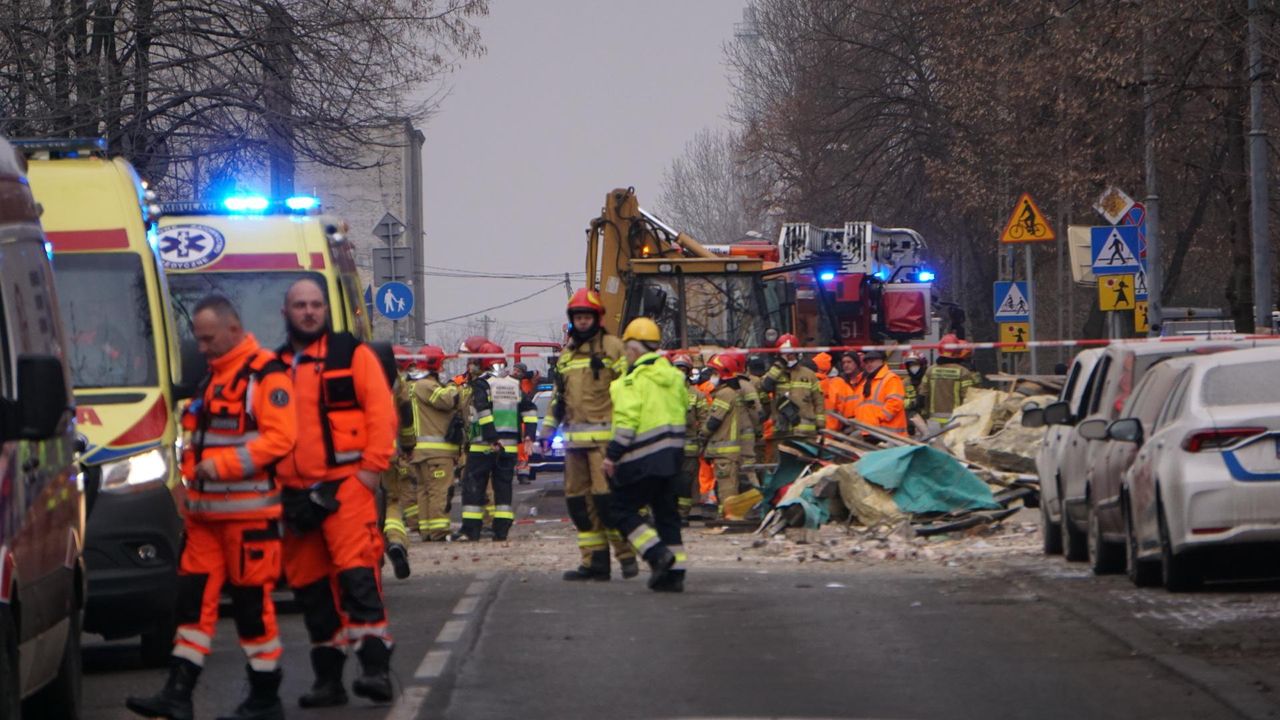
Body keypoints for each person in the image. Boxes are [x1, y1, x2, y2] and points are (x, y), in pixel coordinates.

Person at [126, 295, 296, 720]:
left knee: (252, 609)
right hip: (204, 520)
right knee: (191, 606)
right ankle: (178, 694)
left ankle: (265, 697)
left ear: (233, 330)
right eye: (198, 340)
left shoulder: (265, 376)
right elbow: (193, 443)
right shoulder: (214, 379)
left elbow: (280, 439)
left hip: (248, 519)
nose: (200, 347)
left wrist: (218, 467)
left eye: (207, 339)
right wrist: (185, 486)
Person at [275, 278, 397, 707]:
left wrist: (369, 473)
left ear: (326, 310)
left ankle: (375, 671)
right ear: (286, 312)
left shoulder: (352, 355)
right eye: (300, 305)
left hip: (346, 485)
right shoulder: (275, 366)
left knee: (357, 578)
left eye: (315, 305)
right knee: (310, 589)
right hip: (294, 493)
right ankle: (328, 680)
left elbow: (382, 414)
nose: (309, 312)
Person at [539, 289, 639, 581]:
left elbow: (629, 393)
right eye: (578, 318)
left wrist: (627, 437)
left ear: (597, 318)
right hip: (573, 445)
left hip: (604, 444)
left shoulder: (613, 347)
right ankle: (594, 562)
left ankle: (625, 556)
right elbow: (558, 399)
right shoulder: (566, 356)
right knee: (578, 503)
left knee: (607, 502)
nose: (583, 323)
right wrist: (546, 433)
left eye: (587, 317)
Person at [601, 318, 688, 592]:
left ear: (634, 351)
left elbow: (627, 422)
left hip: (641, 458)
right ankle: (675, 575)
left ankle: (655, 553)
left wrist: (611, 456)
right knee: (667, 514)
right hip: (673, 458)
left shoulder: (630, 381)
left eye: (627, 350)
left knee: (617, 509)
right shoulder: (674, 377)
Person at [459, 342, 537, 541]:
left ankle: (471, 530)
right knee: (503, 488)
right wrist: (529, 435)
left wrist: (492, 438)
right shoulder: (513, 384)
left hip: (483, 446)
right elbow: (530, 410)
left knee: (474, 486)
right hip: (509, 447)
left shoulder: (482, 383)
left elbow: (483, 412)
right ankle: (501, 531)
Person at [408, 345, 461, 542]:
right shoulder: (426, 385)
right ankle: (438, 532)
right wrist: (456, 385)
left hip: (421, 453)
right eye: (442, 363)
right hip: (436, 453)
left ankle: (428, 530)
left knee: (424, 491)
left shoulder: (413, 385)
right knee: (439, 491)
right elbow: (447, 400)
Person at [381, 345, 417, 580]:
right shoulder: (396, 382)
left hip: (352, 454)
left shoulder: (353, 369)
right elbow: (405, 412)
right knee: (391, 502)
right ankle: (395, 542)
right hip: (388, 452)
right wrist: (408, 444)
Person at [760, 334, 825, 445]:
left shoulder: (809, 375)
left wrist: (820, 425)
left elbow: (818, 402)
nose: (789, 358)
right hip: (782, 431)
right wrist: (779, 365)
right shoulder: (775, 373)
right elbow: (764, 387)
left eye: (790, 354)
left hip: (805, 433)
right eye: (785, 355)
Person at [700, 354, 742, 516]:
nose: (712, 377)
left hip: (724, 449)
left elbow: (714, 420)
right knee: (725, 484)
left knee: (726, 486)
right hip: (725, 450)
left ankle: (730, 516)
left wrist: (702, 434)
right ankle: (726, 514)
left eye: (714, 373)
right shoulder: (728, 393)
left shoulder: (725, 394)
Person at [919, 333, 983, 434]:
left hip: (934, 420)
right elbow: (969, 397)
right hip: (956, 420)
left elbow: (922, 395)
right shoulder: (963, 372)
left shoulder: (930, 371)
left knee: (936, 447)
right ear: (957, 351)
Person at [670, 352, 705, 520]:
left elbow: (705, 419)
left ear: (689, 371)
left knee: (685, 482)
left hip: (689, 447)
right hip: (668, 446)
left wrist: (702, 440)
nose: (680, 372)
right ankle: (668, 511)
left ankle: (682, 514)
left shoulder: (697, 394)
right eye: (677, 368)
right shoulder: (664, 392)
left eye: (683, 369)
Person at [851, 349, 907, 435]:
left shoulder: (890, 378)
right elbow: (861, 406)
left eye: (872, 361)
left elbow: (895, 403)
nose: (869, 364)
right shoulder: (865, 382)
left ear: (881, 362)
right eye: (867, 362)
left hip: (888, 433)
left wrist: (878, 418)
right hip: (871, 431)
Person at [901, 351, 930, 436]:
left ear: (923, 365)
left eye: (915, 365)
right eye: (910, 365)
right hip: (911, 422)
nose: (913, 368)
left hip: (929, 420)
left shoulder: (929, 381)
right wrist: (911, 403)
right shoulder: (905, 382)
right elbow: (900, 400)